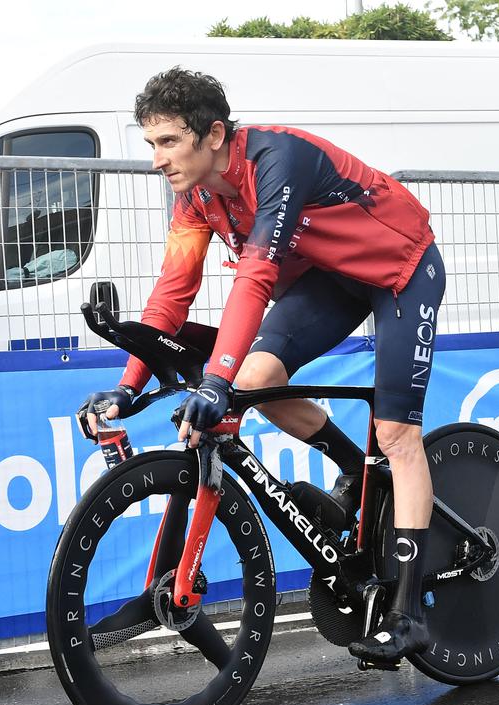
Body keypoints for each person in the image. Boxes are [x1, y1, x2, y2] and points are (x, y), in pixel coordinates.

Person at [80, 67, 446, 662]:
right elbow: (173, 292)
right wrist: (126, 387)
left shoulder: (279, 160)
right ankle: (357, 469)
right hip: (331, 279)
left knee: (399, 434)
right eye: (150, 144)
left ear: (214, 135)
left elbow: (257, 275)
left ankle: (407, 613)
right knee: (256, 379)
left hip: (398, 270)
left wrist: (215, 381)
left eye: (168, 142)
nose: (156, 160)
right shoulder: (195, 196)